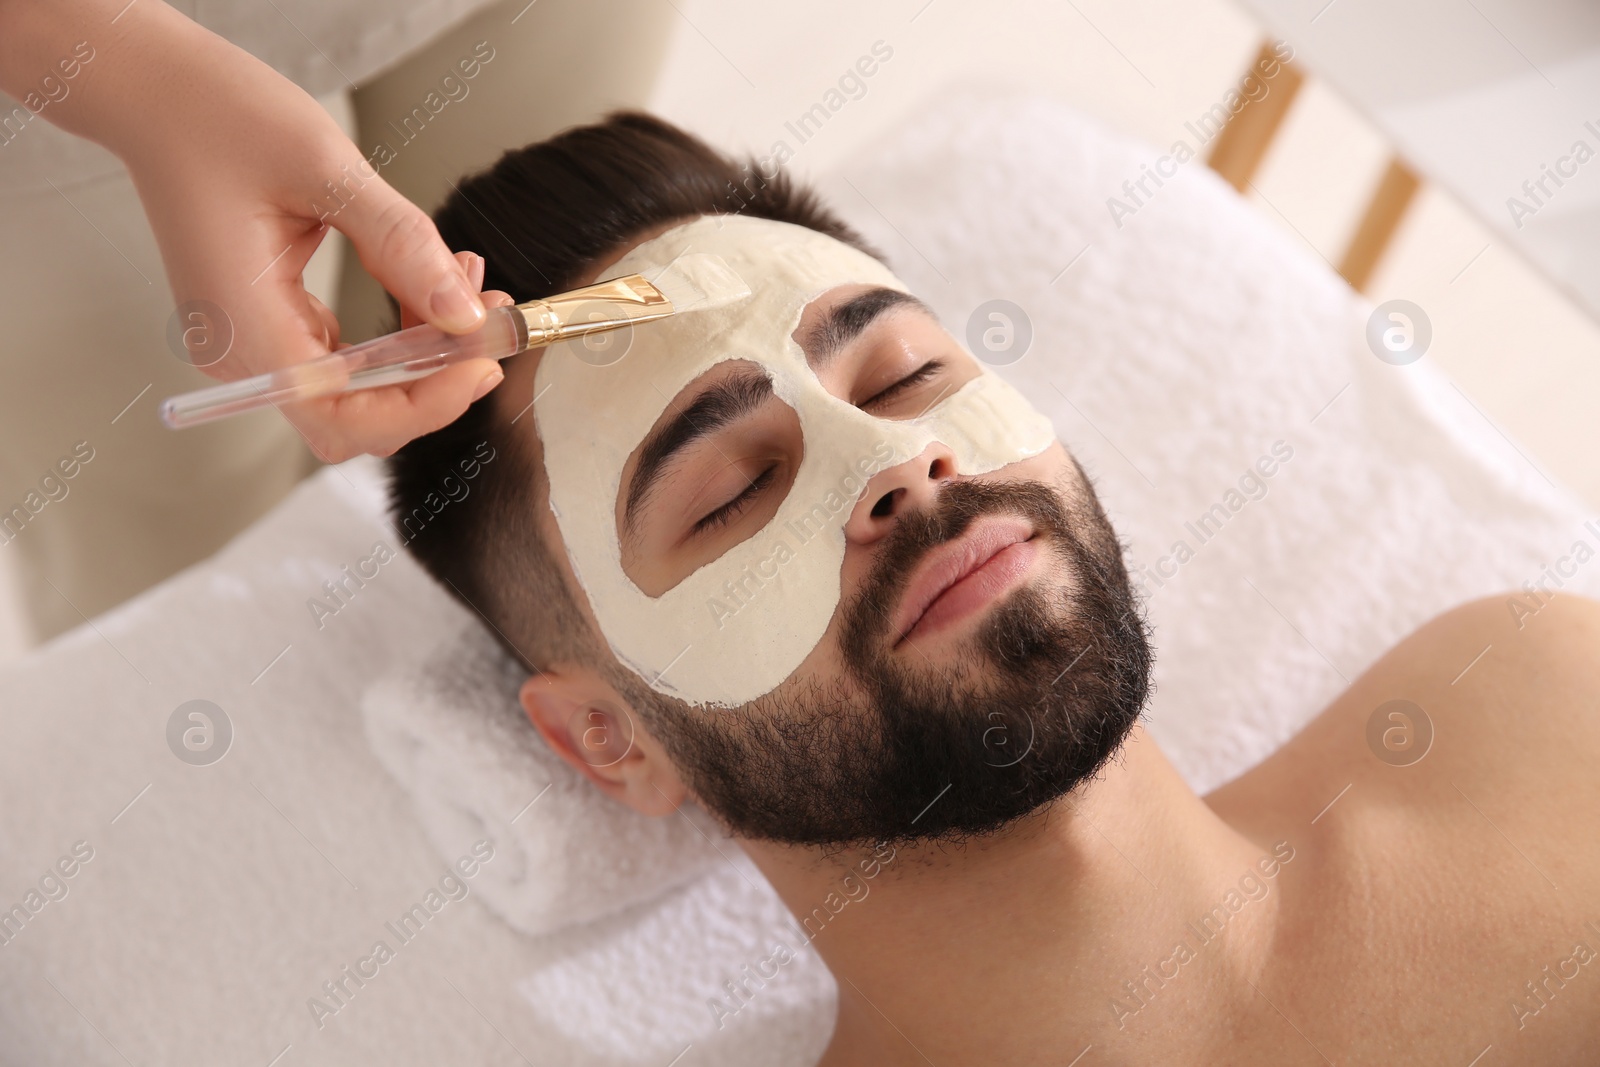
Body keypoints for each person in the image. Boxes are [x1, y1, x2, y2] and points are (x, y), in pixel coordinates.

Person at [387, 113, 1600, 1063]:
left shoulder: (1539, 711)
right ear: (609, 739)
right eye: (727, 494)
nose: (896, 458)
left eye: (904, 371)